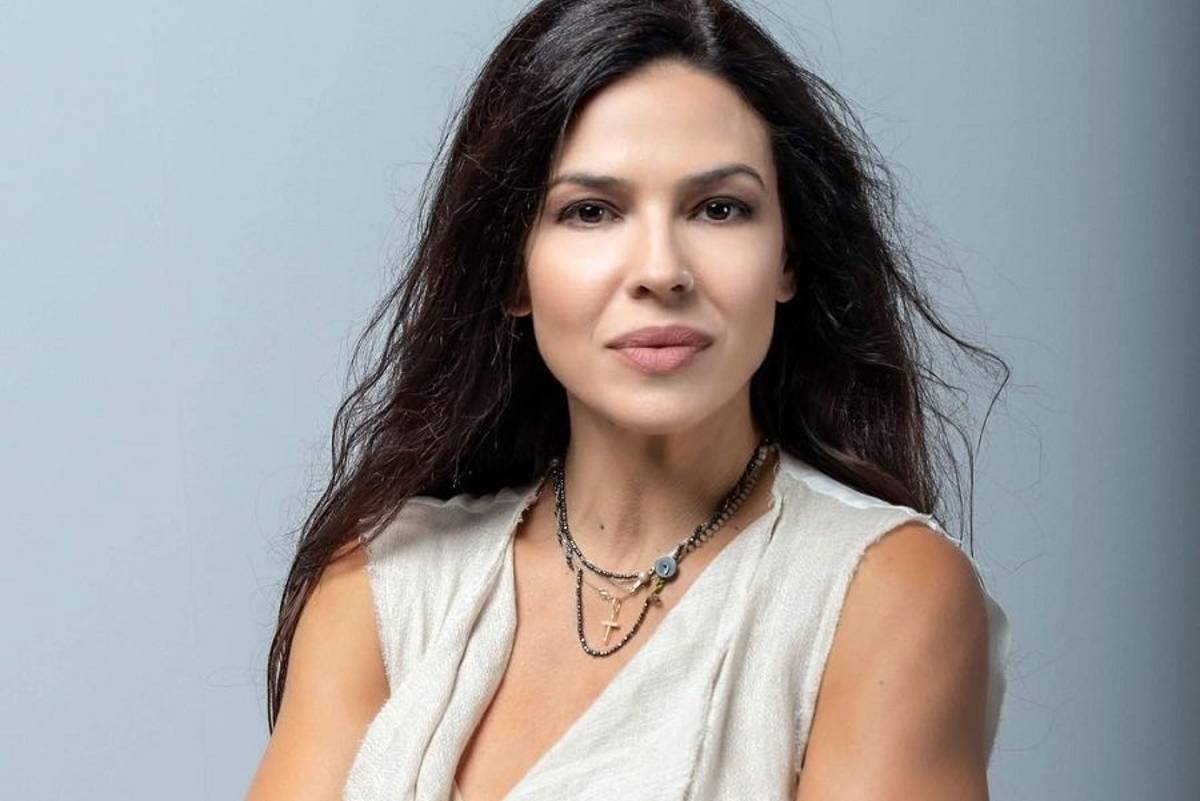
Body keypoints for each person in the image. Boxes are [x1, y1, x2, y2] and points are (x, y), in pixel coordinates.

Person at [245, 1, 1012, 799]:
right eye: (591, 211)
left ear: (788, 257)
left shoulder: (879, 591)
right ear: (512, 271)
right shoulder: (384, 582)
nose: (660, 270)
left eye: (720, 208)